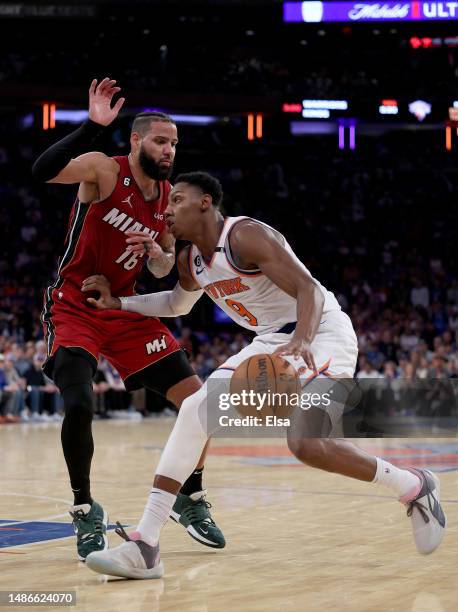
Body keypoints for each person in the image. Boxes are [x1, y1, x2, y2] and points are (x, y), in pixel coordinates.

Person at [83, 171, 446, 579]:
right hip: (272, 340)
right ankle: (145, 543)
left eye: (177, 201)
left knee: (305, 443)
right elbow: (177, 304)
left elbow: (308, 288)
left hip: (321, 331)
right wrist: (121, 303)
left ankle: (414, 486)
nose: (166, 212)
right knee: (196, 410)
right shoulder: (190, 260)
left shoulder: (246, 236)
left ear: (205, 203)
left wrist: (304, 340)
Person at [31, 81, 225, 561]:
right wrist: (90, 128)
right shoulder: (103, 169)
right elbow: (42, 170)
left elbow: (161, 269)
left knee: (199, 401)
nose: (169, 150)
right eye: (161, 141)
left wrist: (158, 253)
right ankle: (84, 507)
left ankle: (189, 495)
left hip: (122, 308)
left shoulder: (167, 198)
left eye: (175, 143)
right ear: (136, 141)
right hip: (76, 303)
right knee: (79, 403)